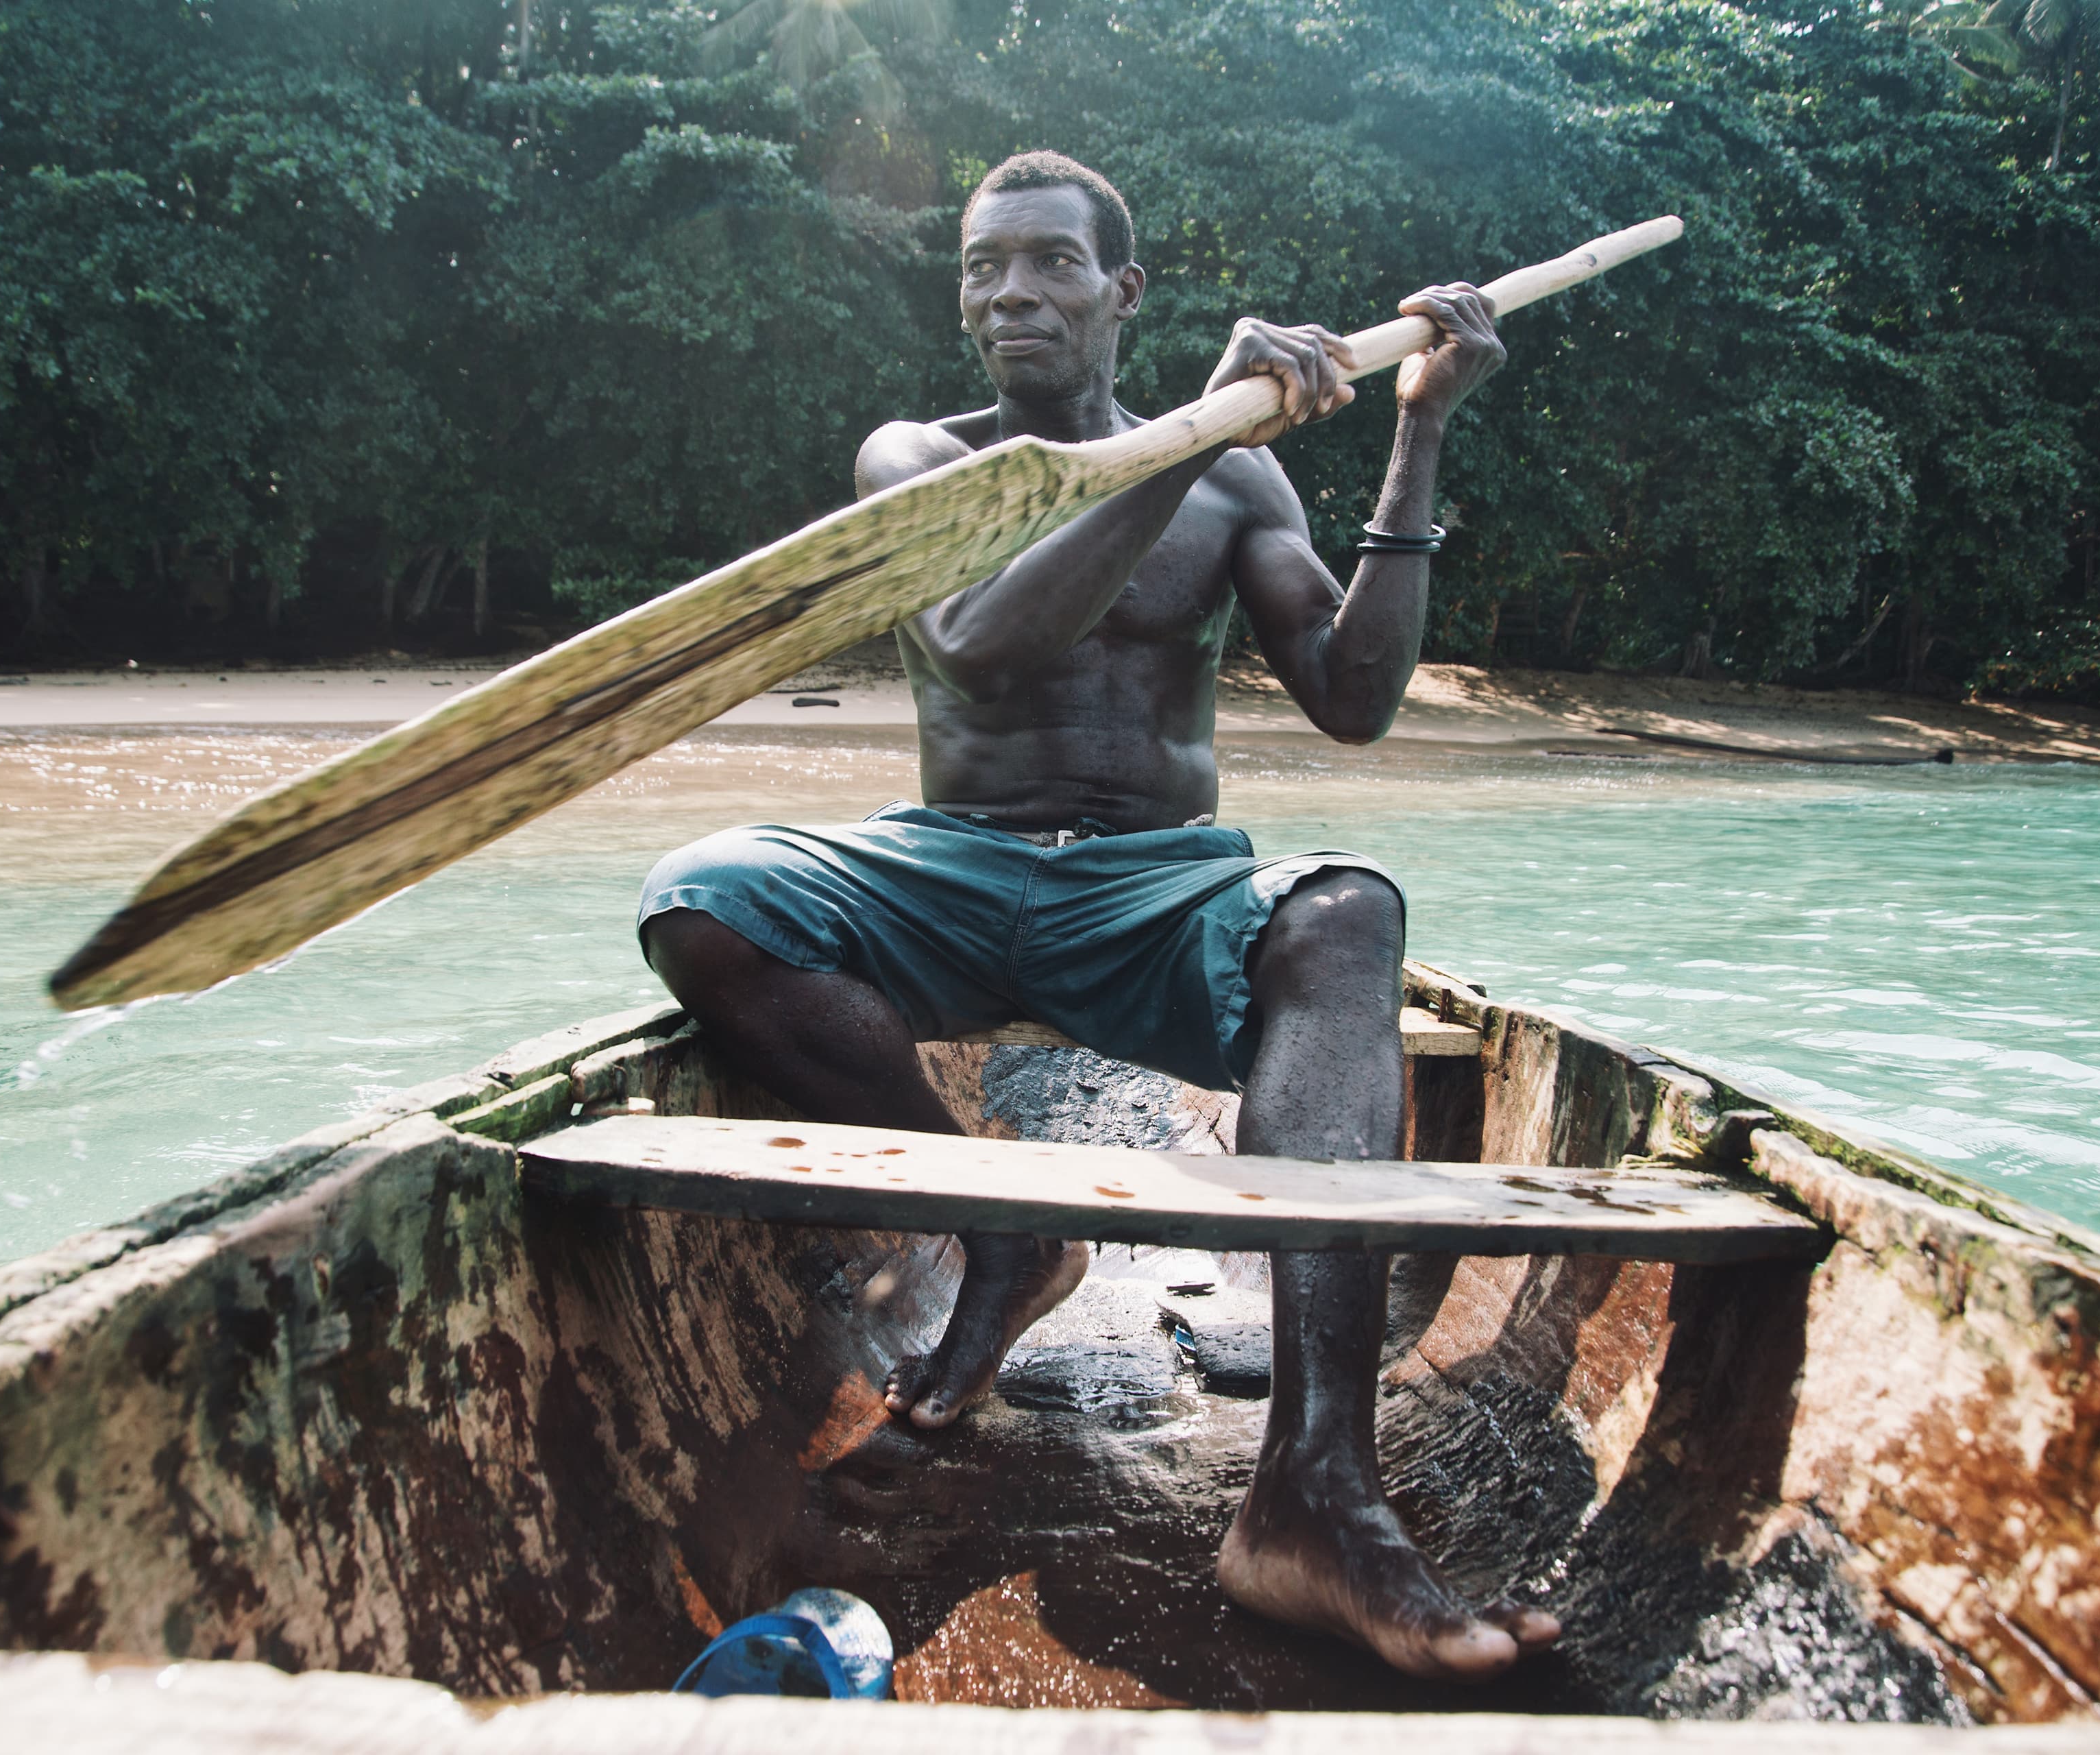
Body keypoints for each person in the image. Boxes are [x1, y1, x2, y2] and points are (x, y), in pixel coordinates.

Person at [637, 151, 1557, 1682]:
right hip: (947, 862)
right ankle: (1009, 1234)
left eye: (1052, 263)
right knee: (704, 901)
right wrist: (1188, 442)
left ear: (1122, 289)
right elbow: (980, 641)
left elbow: (1354, 697)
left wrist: (1418, 434)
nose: (1013, 292)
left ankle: (1316, 1485)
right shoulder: (919, 454)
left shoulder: (1246, 471)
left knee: (1345, 913)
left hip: (1154, 879)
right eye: (985, 266)